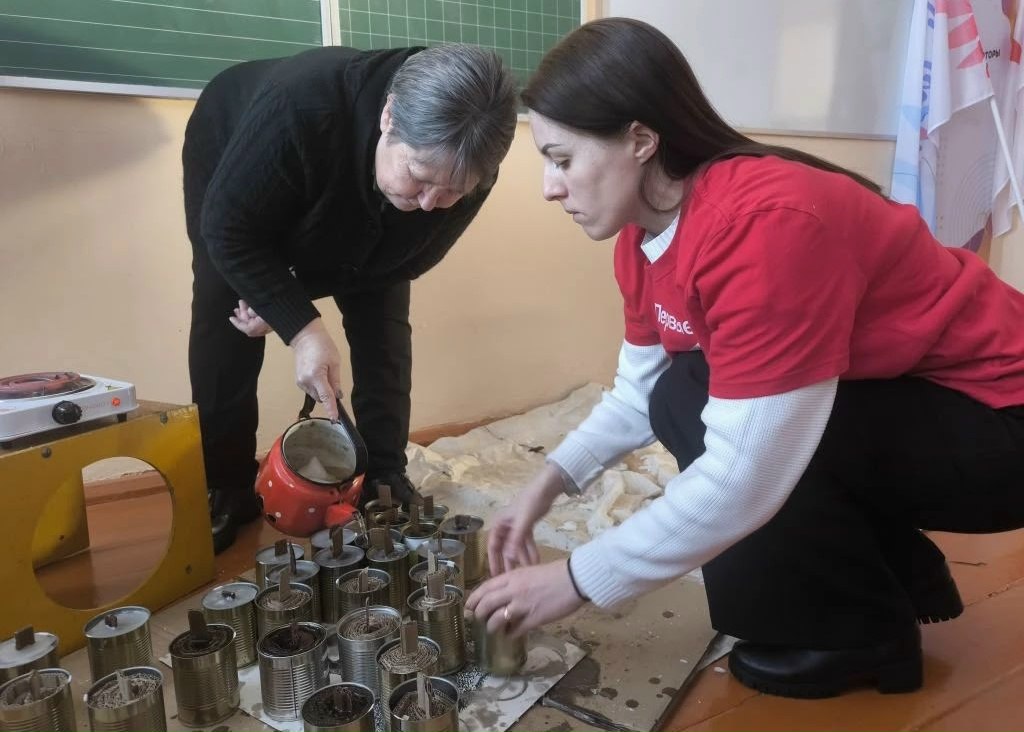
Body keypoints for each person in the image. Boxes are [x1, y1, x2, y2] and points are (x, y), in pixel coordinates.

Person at [466, 18, 1024, 699]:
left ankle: (862, 637)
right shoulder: (643, 240)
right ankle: (889, 582)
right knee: (682, 392)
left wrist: (578, 578)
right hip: (926, 409)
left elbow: (747, 471)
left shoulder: (763, 225)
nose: (549, 187)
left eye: (561, 159)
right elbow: (638, 394)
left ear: (640, 139)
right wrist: (544, 486)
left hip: (1004, 424)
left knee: (729, 415)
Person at [183, 44, 517, 553]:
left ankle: (384, 473)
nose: (430, 203)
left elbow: (405, 262)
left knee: (383, 324)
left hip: (338, 178)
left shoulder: (476, 163)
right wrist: (297, 322)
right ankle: (225, 483)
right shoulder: (300, 107)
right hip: (236, 138)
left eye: (452, 191)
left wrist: (283, 305)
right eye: (420, 176)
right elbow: (227, 232)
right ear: (388, 117)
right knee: (224, 312)